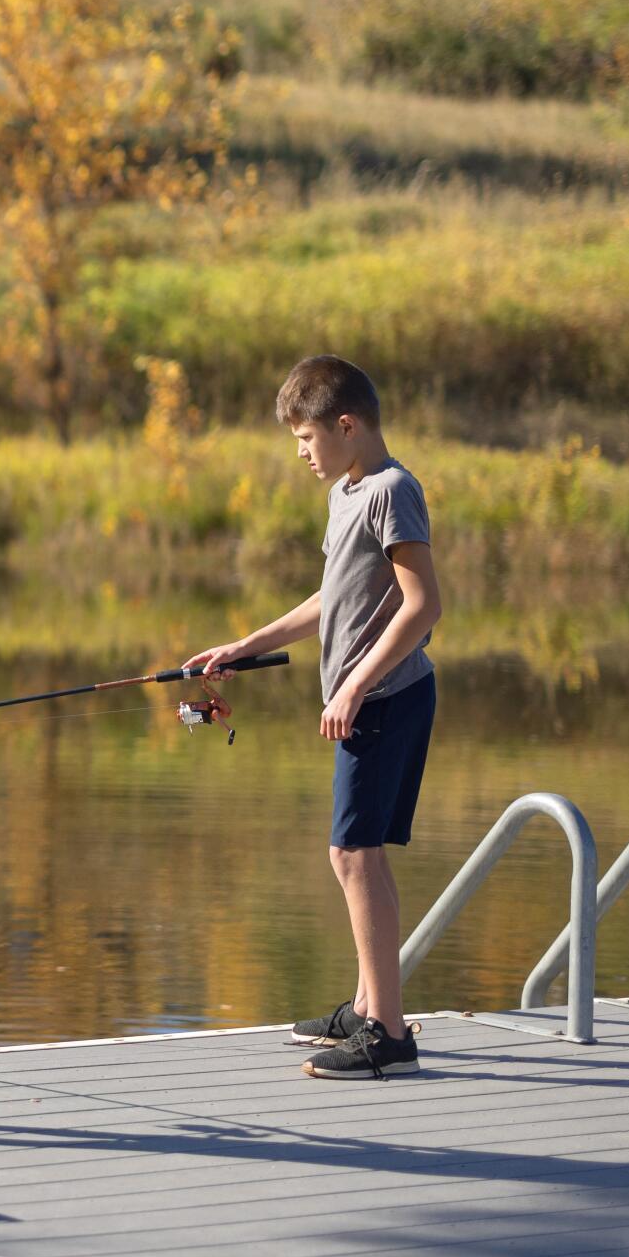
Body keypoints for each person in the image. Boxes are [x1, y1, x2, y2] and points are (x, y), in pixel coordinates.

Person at [187, 355, 443, 1081]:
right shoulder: (347, 493)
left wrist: (355, 685)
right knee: (354, 854)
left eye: (306, 438)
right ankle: (370, 1005)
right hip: (373, 698)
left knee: (354, 855)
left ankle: (388, 1033)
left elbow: (424, 603)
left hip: (388, 699)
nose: (301, 452)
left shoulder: (393, 491)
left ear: (347, 424)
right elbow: (332, 598)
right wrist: (247, 644)